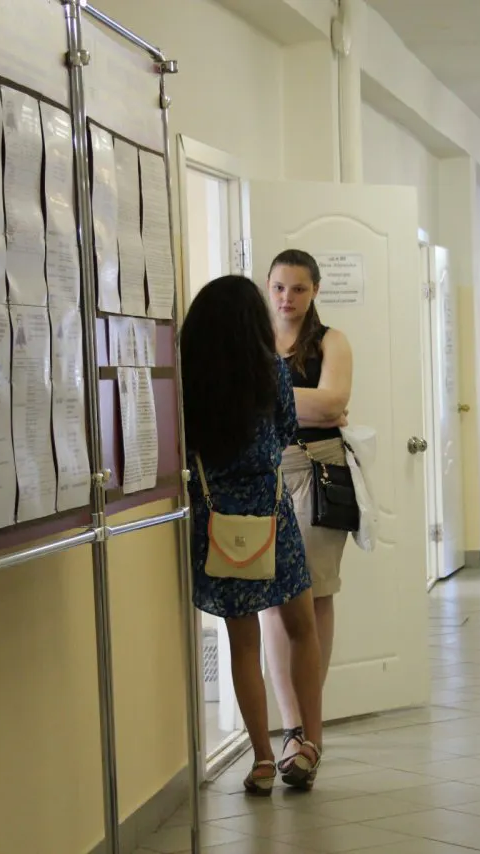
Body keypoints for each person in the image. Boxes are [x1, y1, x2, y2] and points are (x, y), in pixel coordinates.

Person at [179, 275, 324, 793]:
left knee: (243, 644)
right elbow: (286, 431)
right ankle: (308, 744)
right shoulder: (270, 371)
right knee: (301, 627)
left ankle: (262, 760)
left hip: (217, 521)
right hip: (271, 515)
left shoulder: (187, 379)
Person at [259, 249, 353, 774]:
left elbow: (334, 403)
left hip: (318, 473)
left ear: (315, 289)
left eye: (298, 288)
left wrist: (266, 397)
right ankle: (292, 729)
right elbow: (318, 405)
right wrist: (308, 402)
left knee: (315, 596)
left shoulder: (330, 342)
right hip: (264, 474)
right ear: (267, 287)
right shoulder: (255, 342)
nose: (287, 298)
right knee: (273, 601)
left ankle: (308, 734)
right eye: (279, 287)